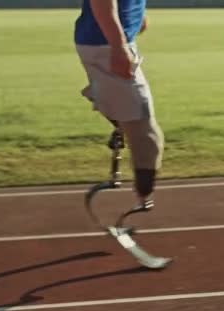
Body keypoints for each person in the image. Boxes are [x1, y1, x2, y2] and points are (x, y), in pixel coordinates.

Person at [74, 0, 163, 206]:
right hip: (105, 45)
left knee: (136, 118)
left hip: (106, 42)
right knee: (145, 133)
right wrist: (118, 46)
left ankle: (116, 112)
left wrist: (138, 16)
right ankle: (143, 199)